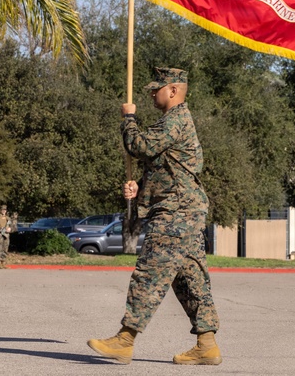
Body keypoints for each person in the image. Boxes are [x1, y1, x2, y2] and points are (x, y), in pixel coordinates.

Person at [88, 67, 221, 365]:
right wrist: (141, 187)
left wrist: (129, 119)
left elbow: (141, 146)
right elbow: (165, 165)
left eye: (156, 88)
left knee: (150, 272)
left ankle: (125, 339)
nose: (151, 93)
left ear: (173, 90)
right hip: (183, 209)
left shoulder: (176, 119)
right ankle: (207, 344)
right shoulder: (173, 122)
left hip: (176, 212)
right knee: (190, 279)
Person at [0, 205, 12, 269]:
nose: (4, 211)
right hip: (0, 235)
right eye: (3, 209)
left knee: (5, 248)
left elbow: (11, 226)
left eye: (5, 210)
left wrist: (9, 229)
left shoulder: (8, 218)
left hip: (6, 235)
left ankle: (3, 262)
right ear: (0, 210)